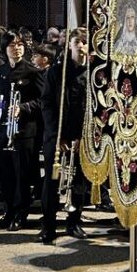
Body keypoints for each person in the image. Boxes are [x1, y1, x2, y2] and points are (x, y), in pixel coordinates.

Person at [39, 28, 89, 244]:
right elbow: (47, 104)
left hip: (81, 138)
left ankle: (74, 222)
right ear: (69, 45)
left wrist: (84, 138)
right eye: (77, 42)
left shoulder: (93, 73)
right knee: (52, 181)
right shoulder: (56, 72)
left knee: (79, 182)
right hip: (58, 136)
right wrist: (57, 135)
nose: (81, 46)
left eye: (85, 42)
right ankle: (48, 225)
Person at [0, 30, 43, 229]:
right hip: (2, 128)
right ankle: (9, 210)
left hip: (24, 131)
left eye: (20, 44)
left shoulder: (32, 72)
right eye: (12, 45)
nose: (17, 48)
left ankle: (21, 213)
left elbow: (43, 101)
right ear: (5, 48)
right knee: (5, 173)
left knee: (22, 174)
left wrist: (23, 107)